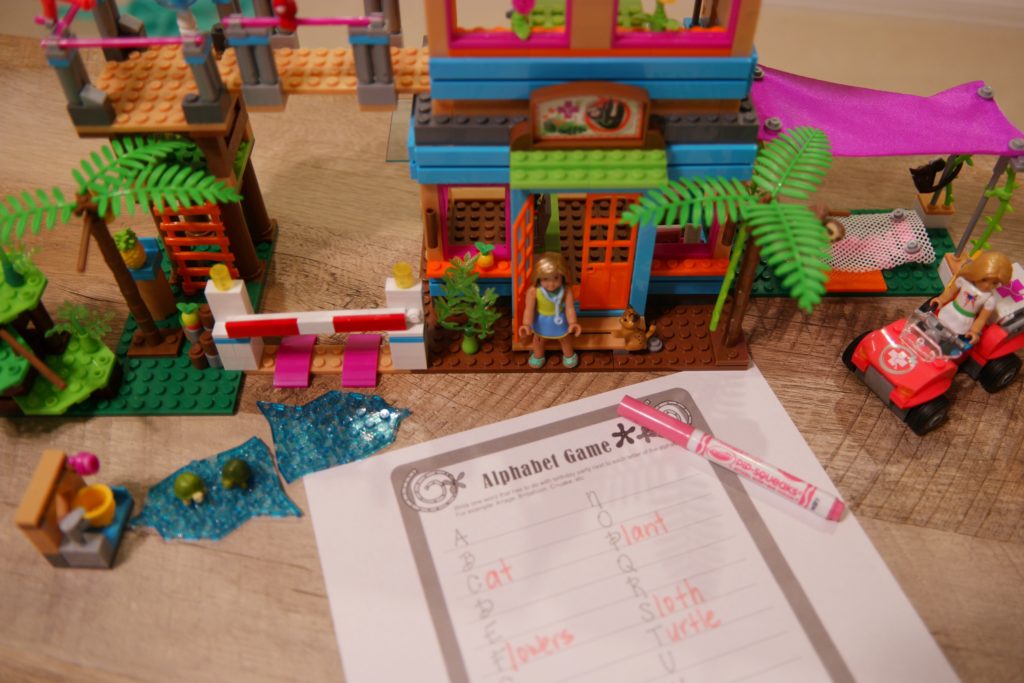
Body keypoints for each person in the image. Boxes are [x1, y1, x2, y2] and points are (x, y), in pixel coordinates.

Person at [928, 251, 1013, 344]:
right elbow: (950, 292)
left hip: (964, 321)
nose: (987, 286)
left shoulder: (989, 300)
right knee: (935, 326)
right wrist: (941, 299)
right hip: (951, 310)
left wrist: (974, 331)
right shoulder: (963, 281)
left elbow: (981, 319)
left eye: (994, 283)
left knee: (949, 339)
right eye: (984, 279)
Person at [518, 253, 582, 369]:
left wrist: (573, 322)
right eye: (545, 279)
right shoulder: (534, 291)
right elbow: (529, 310)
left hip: (560, 319)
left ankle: (569, 355)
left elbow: (570, 308)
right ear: (538, 277)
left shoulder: (566, 290)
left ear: (563, 276)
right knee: (538, 339)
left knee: (565, 338)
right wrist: (526, 324)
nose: (551, 284)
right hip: (541, 320)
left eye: (556, 278)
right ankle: (538, 356)